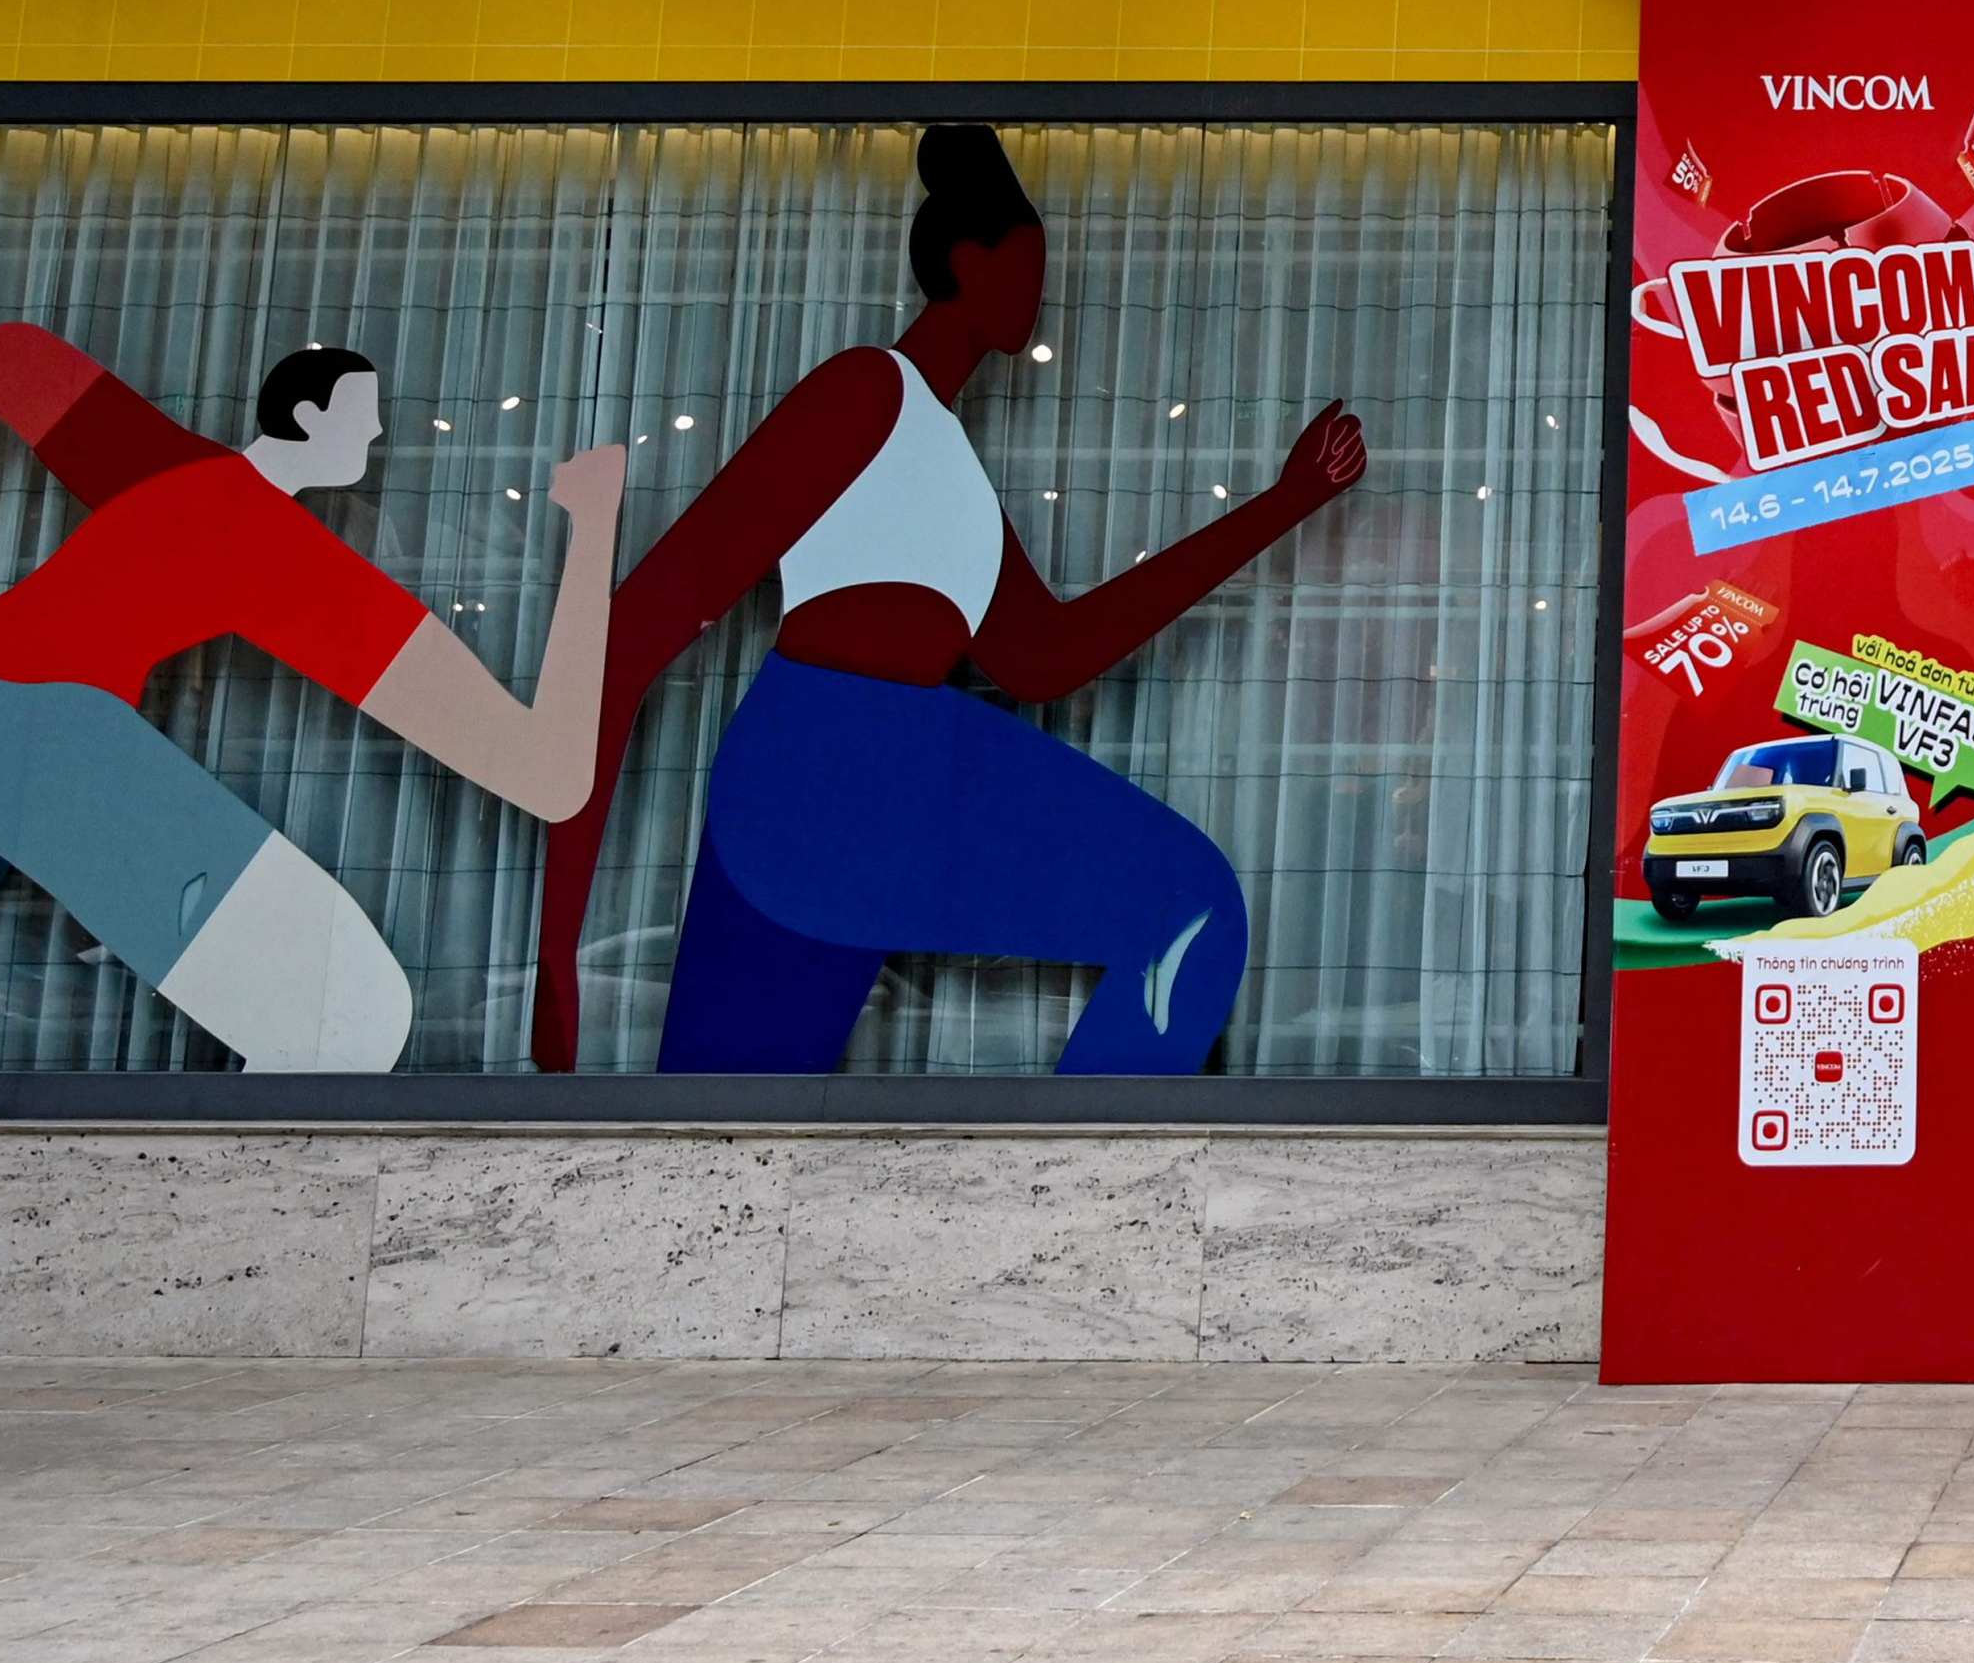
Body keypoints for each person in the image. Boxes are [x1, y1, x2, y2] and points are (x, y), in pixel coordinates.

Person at [531, 124, 1368, 1078]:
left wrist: (1285, 505)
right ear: (968, 263)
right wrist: (555, 953)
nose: (1041, 298)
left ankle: (1086, 1201)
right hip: (834, 763)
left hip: (833, 790)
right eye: (1027, 269)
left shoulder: (953, 474)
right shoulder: (863, 394)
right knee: (1188, 903)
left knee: (728, 1124)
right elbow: (637, 633)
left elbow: (1048, 657)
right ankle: (1089, 1200)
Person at [0, 327, 624, 1073]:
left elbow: (2, 361)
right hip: (31, 726)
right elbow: (545, 774)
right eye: (362, 418)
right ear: (305, 417)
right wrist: (593, 532)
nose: (378, 440)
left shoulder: (162, 468)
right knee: (345, 1013)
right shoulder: (278, 556)